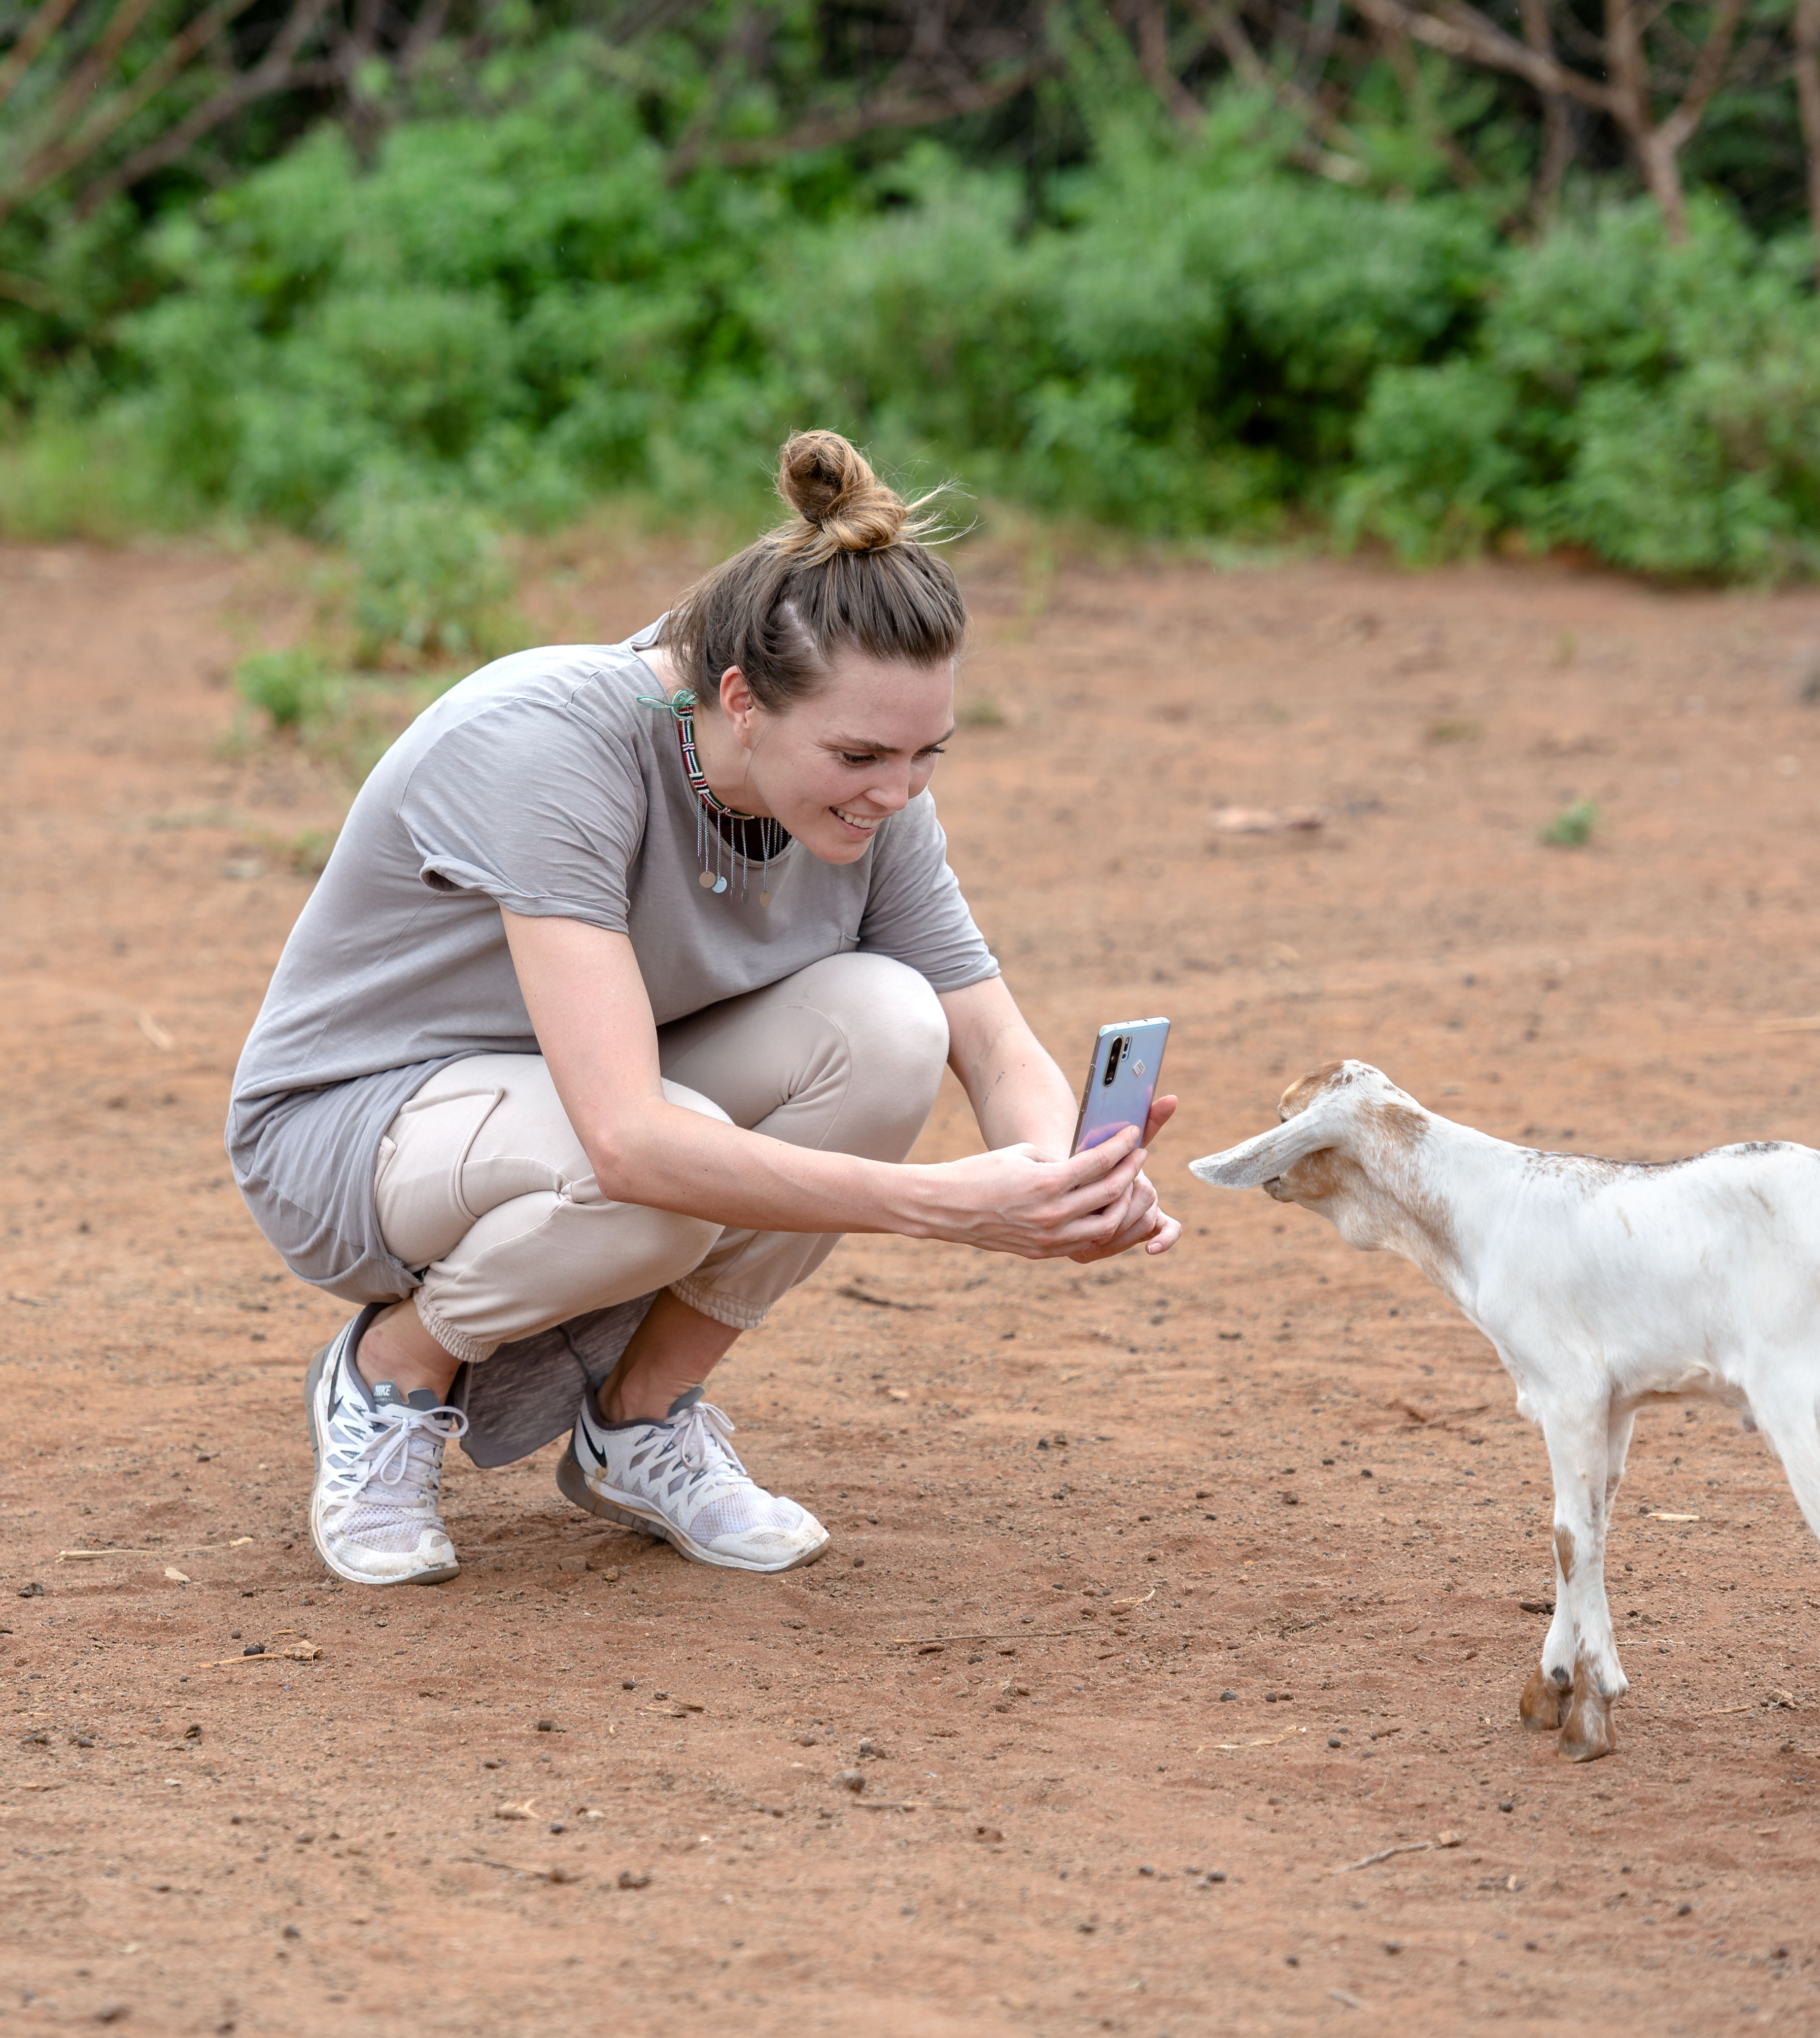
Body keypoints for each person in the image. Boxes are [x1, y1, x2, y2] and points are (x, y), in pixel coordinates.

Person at [225, 429, 1180, 1589]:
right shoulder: (548, 744)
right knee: (668, 1172)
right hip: (356, 1132)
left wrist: (1054, 1180)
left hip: (598, 1105)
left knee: (888, 1025)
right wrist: (939, 1206)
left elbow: (982, 1029)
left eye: (927, 753)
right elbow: (631, 1142)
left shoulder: (859, 791)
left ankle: (639, 1419)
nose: (897, 789)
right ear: (738, 698)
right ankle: (391, 1372)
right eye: (863, 752)